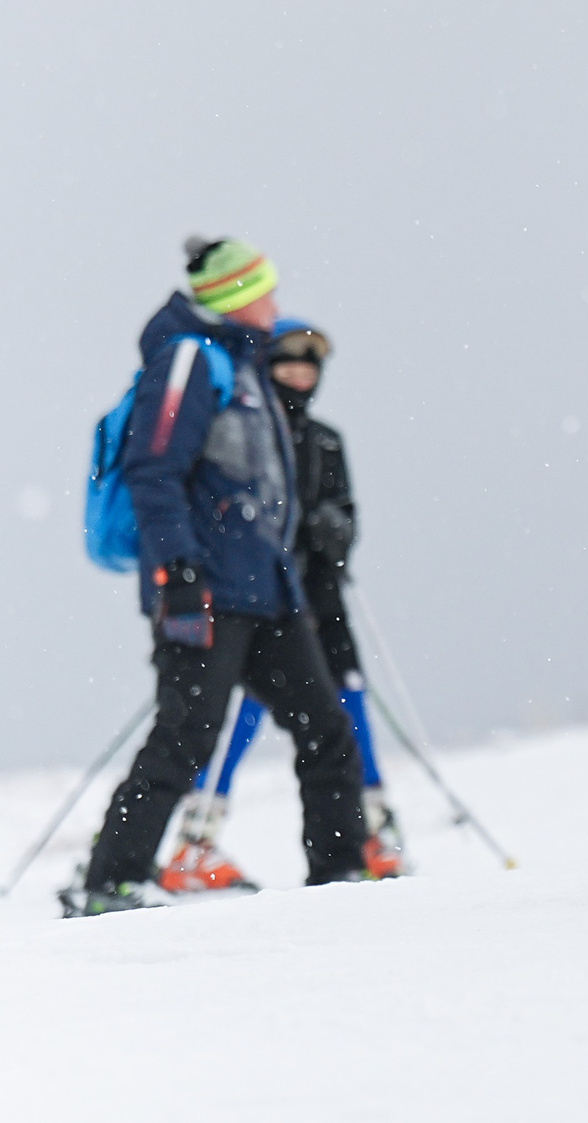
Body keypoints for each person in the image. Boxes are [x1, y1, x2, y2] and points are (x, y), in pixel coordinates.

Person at [64, 239, 368, 916]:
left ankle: (343, 874)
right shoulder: (188, 360)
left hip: (266, 589)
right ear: (234, 294)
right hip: (205, 590)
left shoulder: (242, 363)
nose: (275, 304)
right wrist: (178, 572)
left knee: (325, 726)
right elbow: (155, 469)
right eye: (265, 291)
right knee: (188, 731)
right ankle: (110, 881)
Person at [161, 317, 407, 892]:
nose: (299, 371)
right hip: (264, 599)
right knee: (240, 715)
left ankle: (369, 830)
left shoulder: (325, 441)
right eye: (287, 360)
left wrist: (332, 532)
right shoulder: (249, 430)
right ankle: (197, 837)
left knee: (346, 710)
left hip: (320, 599)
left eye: (310, 362)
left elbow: (347, 520)